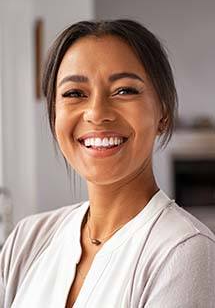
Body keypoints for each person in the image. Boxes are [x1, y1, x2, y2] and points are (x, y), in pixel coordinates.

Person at [0, 19, 214, 308]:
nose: (97, 113)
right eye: (74, 93)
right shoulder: (27, 241)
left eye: (124, 90)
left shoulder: (184, 252)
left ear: (163, 112)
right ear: (54, 116)